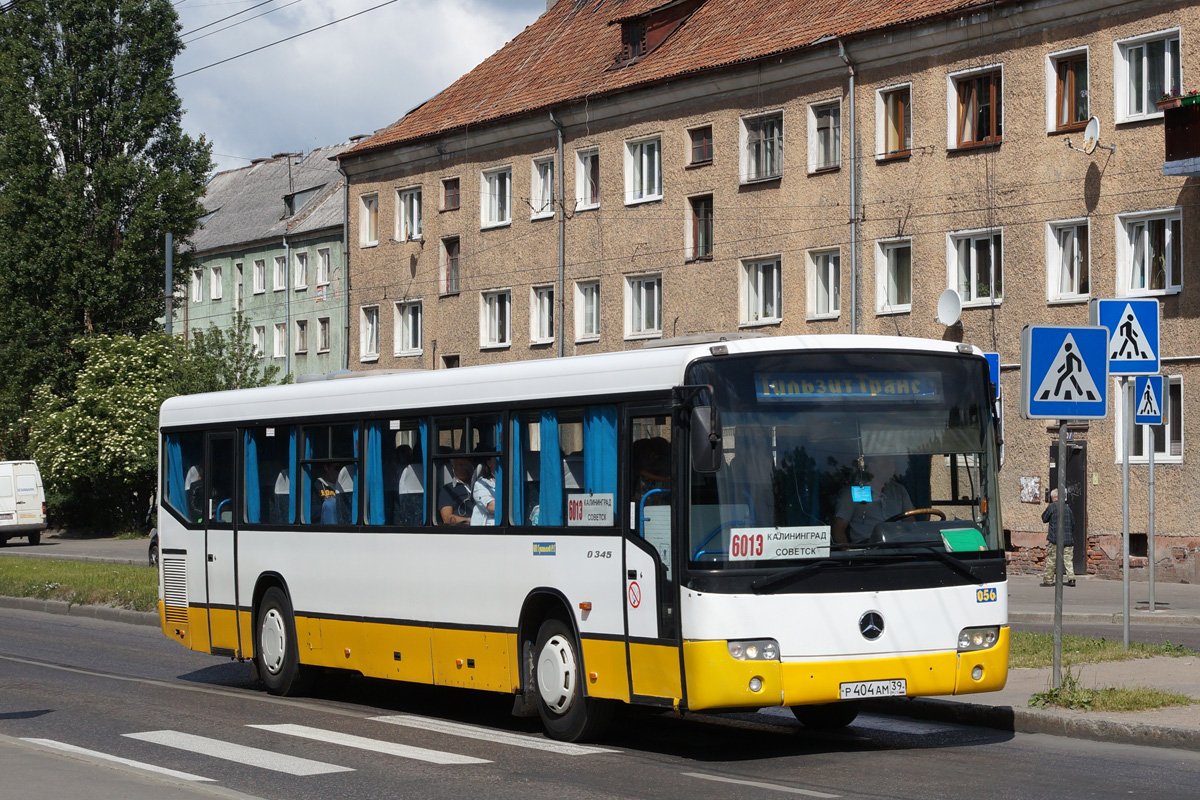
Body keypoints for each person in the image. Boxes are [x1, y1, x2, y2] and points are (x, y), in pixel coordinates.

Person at [831, 454, 914, 544]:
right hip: (867, 551)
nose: (891, 468)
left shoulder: (899, 490)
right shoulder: (853, 492)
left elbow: (910, 522)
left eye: (892, 464)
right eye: (886, 464)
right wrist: (848, 553)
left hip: (899, 549)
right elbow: (839, 527)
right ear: (871, 467)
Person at [1041, 488, 1076, 586]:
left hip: (1055, 539)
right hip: (1068, 539)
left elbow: (1044, 518)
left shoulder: (1052, 507)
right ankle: (1071, 579)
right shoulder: (1067, 508)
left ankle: (1048, 579)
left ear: (1053, 497)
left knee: (1052, 560)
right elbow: (1073, 523)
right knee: (1068, 560)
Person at [438, 456, 473, 525]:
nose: (465, 468)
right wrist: (470, 521)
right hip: (460, 529)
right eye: (461, 465)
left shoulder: (478, 485)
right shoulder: (447, 490)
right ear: (453, 468)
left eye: (467, 465)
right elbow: (446, 518)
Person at [470, 457, 497, 526]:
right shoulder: (480, 484)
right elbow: (492, 507)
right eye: (496, 458)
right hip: (486, 530)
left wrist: (497, 500)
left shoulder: (511, 484)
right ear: (489, 463)